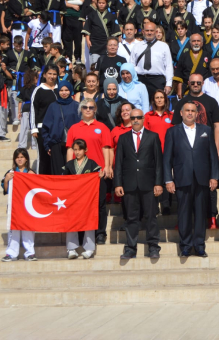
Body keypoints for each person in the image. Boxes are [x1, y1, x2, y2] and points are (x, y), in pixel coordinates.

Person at [164, 101, 219, 257]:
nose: (190, 113)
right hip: (182, 179)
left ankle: (200, 245)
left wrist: (214, 176)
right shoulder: (172, 132)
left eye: (193, 111)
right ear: (181, 113)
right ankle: (186, 245)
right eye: (187, 110)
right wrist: (168, 180)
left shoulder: (206, 131)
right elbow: (167, 159)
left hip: (202, 179)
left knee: (201, 213)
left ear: (197, 114)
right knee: (184, 214)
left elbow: (213, 157)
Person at [113, 108, 163, 259]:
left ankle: (153, 247)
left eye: (138, 117)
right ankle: (130, 248)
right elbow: (119, 163)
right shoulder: (123, 138)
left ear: (143, 119)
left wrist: (158, 183)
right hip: (129, 184)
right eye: (133, 117)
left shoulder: (153, 137)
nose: (135, 120)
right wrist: (118, 183)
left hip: (148, 184)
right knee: (131, 218)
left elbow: (158, 162)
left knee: (151, 217)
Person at [65, 98, 114, 245]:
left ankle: (100, 233)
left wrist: (108, 166)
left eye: (91, 107)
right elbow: (69, 149)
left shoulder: (102, 127)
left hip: (96, 174)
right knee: (79, 206)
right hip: (78, 175)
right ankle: (80, 235)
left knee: (100, 205)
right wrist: (68, 169)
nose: (88, 109)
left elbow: (107, 147)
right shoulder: (74, 128)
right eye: (85, 107)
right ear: (81, 109)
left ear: (95, 110)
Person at [62, 139, 103, 259]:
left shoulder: (92, 164)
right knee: (71, 222)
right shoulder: (69, 165)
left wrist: (100, 175)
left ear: (86, 150)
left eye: (80, 149)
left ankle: (89, 248)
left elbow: (99, 174)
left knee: (89, 221)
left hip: (88, 199)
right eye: (75, 149)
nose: (77, 152)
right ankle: (71, 249)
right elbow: (63, 181)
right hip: (73, 199)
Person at [1, 149, 36, 262]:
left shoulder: (31, 172)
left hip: (27, 207)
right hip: (14, 207)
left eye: (22, 157)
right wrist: (6, 180)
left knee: (28, 230)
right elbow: (6, 190)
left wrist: (34, 177)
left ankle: (30, 253)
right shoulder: (10, 172)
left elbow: (37, 190)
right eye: (17, 157)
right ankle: (11, 253)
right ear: (14, 159)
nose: (20, 159)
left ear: (26, 159)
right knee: (14, 230)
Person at [39, 81, 80, 176]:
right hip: (56, 144)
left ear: (70, 91)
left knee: (72, 171)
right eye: (61, 90)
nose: (64, 92)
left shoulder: (76, 106)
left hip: (73, 145)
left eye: (66, 90)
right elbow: (46, 127)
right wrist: (47, 144)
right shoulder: (53, 106)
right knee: (58, 172)